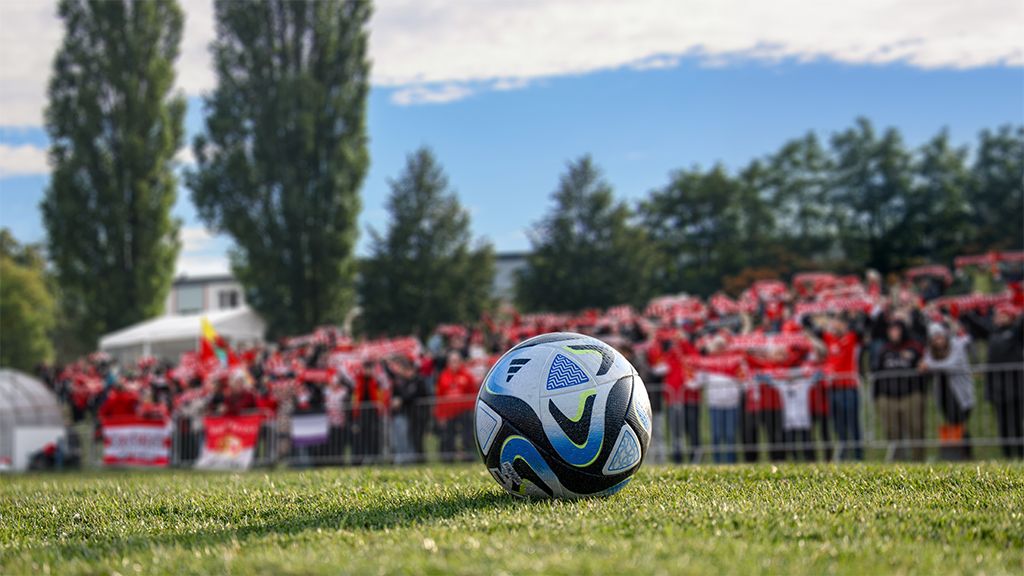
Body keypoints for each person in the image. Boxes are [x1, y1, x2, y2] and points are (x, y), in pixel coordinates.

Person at [961, 304, 1023, 459]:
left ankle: (1020, 454)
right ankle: (1008, 455)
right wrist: (965, 312)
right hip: (997, 388)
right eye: (998, 316)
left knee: (1016, 423)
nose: (1000, 318)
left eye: (1004, 315)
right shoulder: (992, 332)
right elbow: (978, 325)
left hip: (1015, 386)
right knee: (1003, 424)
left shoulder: (1016, 332)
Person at [872, 320, 927, 461]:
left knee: (916, 429)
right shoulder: (884, 350)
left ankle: (918, 460)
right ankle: (898, 460)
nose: (894, 333)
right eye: (891, 330)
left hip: (911, 394)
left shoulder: (914, 347)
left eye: (896, 330)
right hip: (888, 396)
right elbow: (877, 372)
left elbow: (924, 365)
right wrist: (877, 396)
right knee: (892, 432)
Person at [921, 321, 975, 460]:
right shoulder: (931, 351)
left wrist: (929, 365)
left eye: (940, 337)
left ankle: (966, 454)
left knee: (960, 423)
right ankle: (955, 454)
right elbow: (925, 360)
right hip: (944, 394)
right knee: (952, 423)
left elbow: (950, 364)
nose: (938, 340)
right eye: (934, 338)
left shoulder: (957, 346)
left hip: (961, 394)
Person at [434, 352, 475, 462]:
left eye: (456, 361)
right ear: (448, 363)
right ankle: (448, 459)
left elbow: (473, 393)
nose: (454, 364)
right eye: (452, 361)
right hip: (449, 413)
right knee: (448, 436)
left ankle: (467, 457)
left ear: (460, 362)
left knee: (466, 436)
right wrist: (440, 415)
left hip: (464, 411)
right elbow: (439, 396)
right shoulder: (443, 376)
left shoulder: (467, 375)